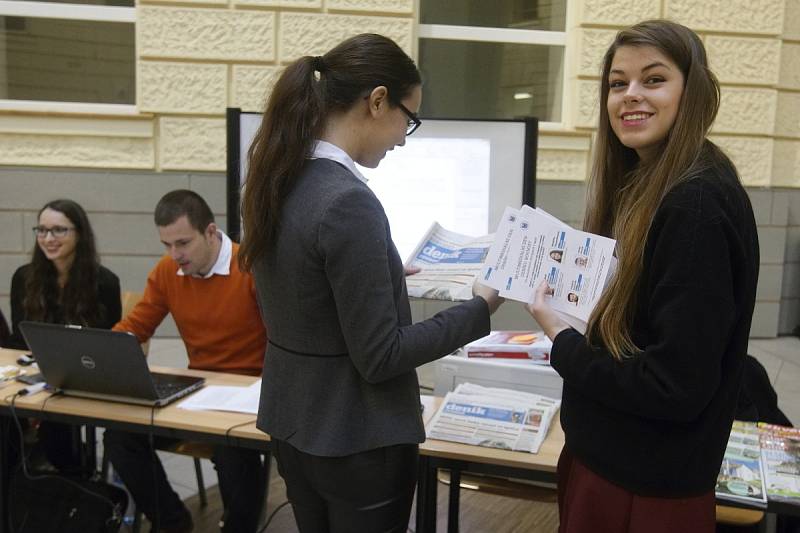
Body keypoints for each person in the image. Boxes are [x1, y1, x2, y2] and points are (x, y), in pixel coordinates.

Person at [238, 33, 503, 533]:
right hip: (358, 436)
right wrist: (479, 308)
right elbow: (380, 357)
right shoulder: (347, 201)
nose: (404, 137)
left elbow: (300, 286)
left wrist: (374, 277)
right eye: (409, 119)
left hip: (296, 423)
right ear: (377, 101)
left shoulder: (279, 178)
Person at [527, 20, 759, 533]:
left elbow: (672, 387)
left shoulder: (694, 204)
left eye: (654, 79)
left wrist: (561, 337)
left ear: (691, 91)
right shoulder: (647, 181)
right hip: (614, 467)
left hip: (644, 492)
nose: (630, 96)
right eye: (617, 83)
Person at [103, 190, 268, 533]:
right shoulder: (168, 272)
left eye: (183, 243)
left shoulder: (251, 268)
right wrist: (99, 352)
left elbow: (284, 339)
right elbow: (136, 327)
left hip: (250, 393)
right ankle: (172, 522)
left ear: (210, 232)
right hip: (197, 391)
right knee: (120, 438)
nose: (174, 255)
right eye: (167, 245)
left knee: (234, 452)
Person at [9, 199, 121, 473]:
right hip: (34, 378)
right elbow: (18, 340)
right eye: (42, 230)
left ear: (79, 234)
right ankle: (18, 498)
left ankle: (76, 489)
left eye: (59, 230)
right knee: (7, 424)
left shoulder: (104, 282)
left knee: (55, 428)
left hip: (83, 380)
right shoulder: (24, 278)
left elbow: (109, 345)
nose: (48, 239)